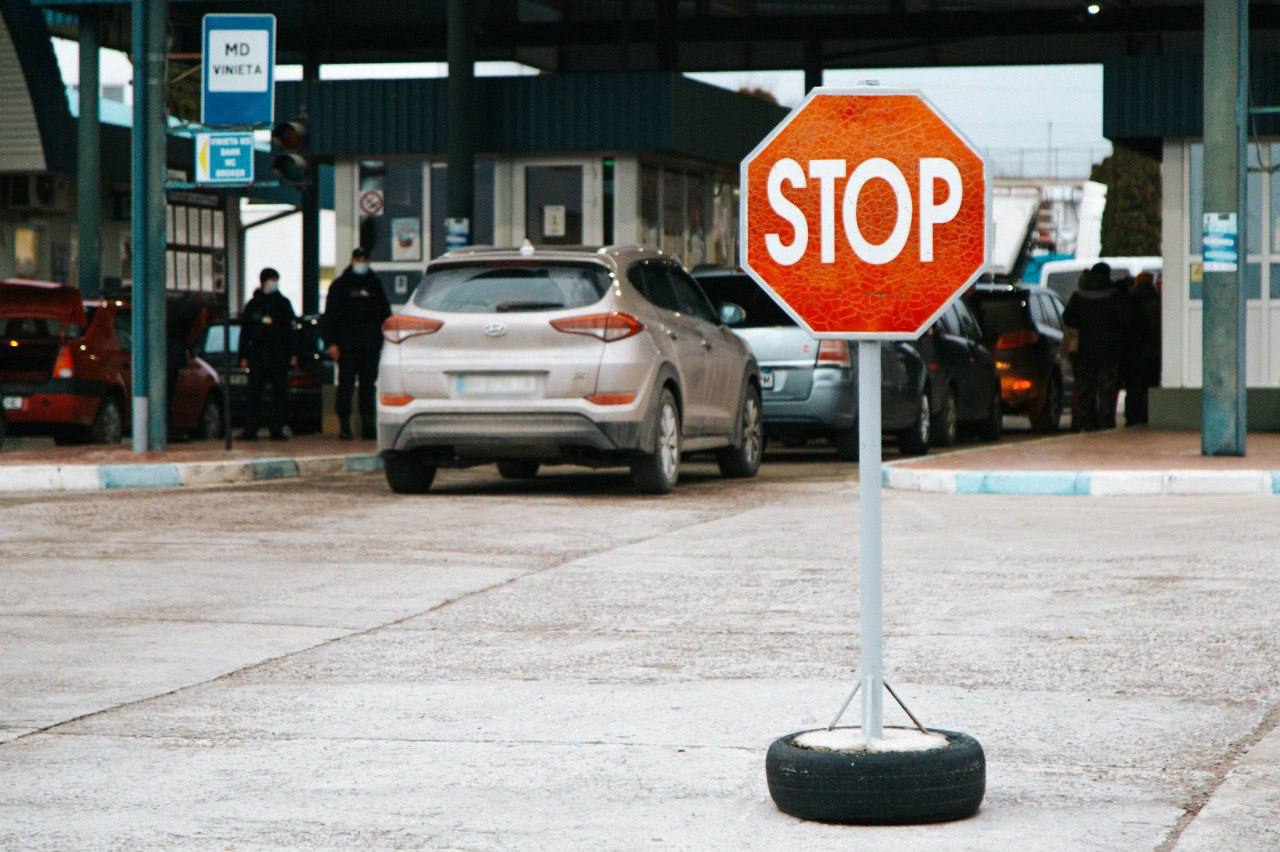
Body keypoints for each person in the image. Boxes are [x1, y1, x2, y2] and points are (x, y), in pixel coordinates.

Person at [322, 247, 391, 440]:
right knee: (346, 386)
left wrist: (384, 338)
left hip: (370, 346)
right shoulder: (340, 285)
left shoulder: (374, 285)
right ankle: (344, 425)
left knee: (368, 386)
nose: (361, 262)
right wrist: (331, 343)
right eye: (358, 259)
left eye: (364, 259)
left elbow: (385, 314)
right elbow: (330, 317)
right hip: (346, 346)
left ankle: (368, 424)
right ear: (352, 261)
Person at [1062, 262, 1133, 431]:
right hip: (1109, 352)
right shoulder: (1114, 296)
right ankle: (1106, 422)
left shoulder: (1078, 297)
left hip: (1085, 352)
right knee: (1107, 391)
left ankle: (1088, 422)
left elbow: (1068, 319)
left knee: (1086, 390)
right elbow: (1126, 321)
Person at [238, 268, 297, 441]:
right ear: (263, 281)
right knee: (254, 393)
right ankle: (251, 429)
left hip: (278, 355)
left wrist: (293, 354)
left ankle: (276, 429)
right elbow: (245, 332)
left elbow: (291, 331)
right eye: (271, 279)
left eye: (275, 280)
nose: (273, 283)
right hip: (257, 355)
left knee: (279, 394)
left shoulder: (283, 304)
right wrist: (243, 355)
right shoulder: (253, 305)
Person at [1123, 271, 1161, 426]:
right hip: (1152, 351)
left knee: (1133, 386)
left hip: (1133, 351)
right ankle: (1146, 414)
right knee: (1150, 383)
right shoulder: (1155, 300)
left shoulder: (1130, 300)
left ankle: (1132, 416)